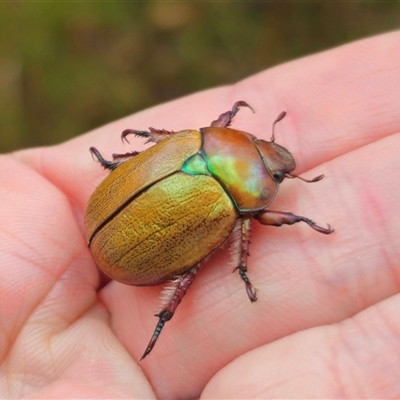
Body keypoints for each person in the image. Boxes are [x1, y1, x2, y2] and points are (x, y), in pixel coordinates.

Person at [1, 31, 399, 399]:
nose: (273, 161)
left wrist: (296, 218)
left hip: (114, 229)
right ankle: (164, 314)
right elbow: (256, 218)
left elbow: (182, 142)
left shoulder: (195, 146)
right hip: (119, 237)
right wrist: (296, 223)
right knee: (188, 270)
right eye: (271, 162)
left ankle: (117, 171)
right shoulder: (232, 199)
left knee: (174, 165)